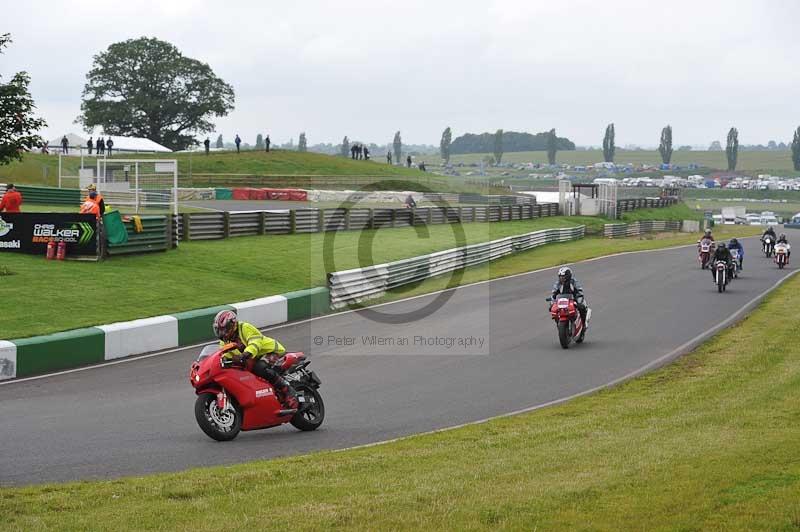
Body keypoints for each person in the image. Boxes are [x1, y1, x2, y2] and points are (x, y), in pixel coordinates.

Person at [212, 310, 299, 411]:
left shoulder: (245, 327)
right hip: (252, 359)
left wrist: (246, 354)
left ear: (233, 324)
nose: (222, 333)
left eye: (224, 329)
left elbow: (255, 343)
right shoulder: (224, 342)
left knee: (260, 367)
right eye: (219, 330)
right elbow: (224, 354)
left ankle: (287, 389)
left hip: (270, 352)